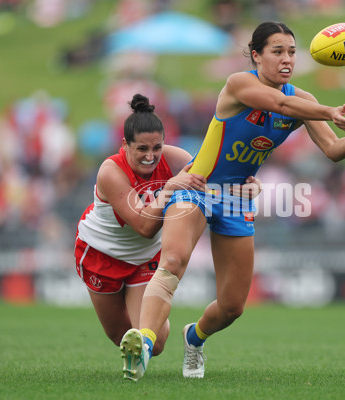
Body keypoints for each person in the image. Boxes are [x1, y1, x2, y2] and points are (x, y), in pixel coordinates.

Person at [120, 21, 345, 381]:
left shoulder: (304, 102)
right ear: (255, 55)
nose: (286, 59)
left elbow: (332, 149)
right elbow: (279, 103)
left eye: (292, 52)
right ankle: (145, 344)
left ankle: (193, 337)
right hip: (195, 187)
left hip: (236, 198)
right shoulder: (239, 84)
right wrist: (329, 111)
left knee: (232, 307)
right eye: (277, 51)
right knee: (173, 260)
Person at [74, 93, 260, 380]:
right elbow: (144, 225)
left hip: (145, 257)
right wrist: (171, 186)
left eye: (157, 147)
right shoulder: (110, 171)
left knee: (157, 343)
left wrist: (243, 188)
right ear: (125, 145)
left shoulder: (175, 159)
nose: (151, 156)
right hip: (101, 255)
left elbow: (215, 188)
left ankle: (151, 336)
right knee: (118, 336)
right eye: (142, 149)